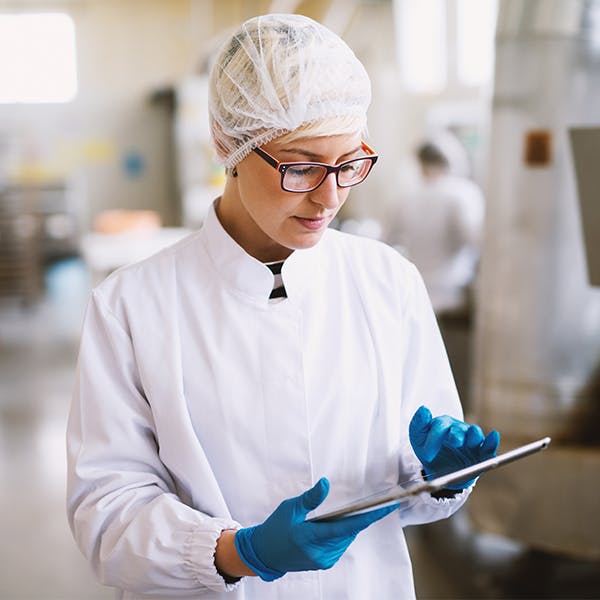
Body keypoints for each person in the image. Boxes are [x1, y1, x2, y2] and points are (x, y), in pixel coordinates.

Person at [66, 14, 499, 600]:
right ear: (228, 145)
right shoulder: (132, 307)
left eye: (348, 164)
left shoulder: (386, 281)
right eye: (301, 167)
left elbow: (413, 496)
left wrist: (439, 475)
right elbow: (107, 514)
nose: (329, 195)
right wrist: (237, 553)